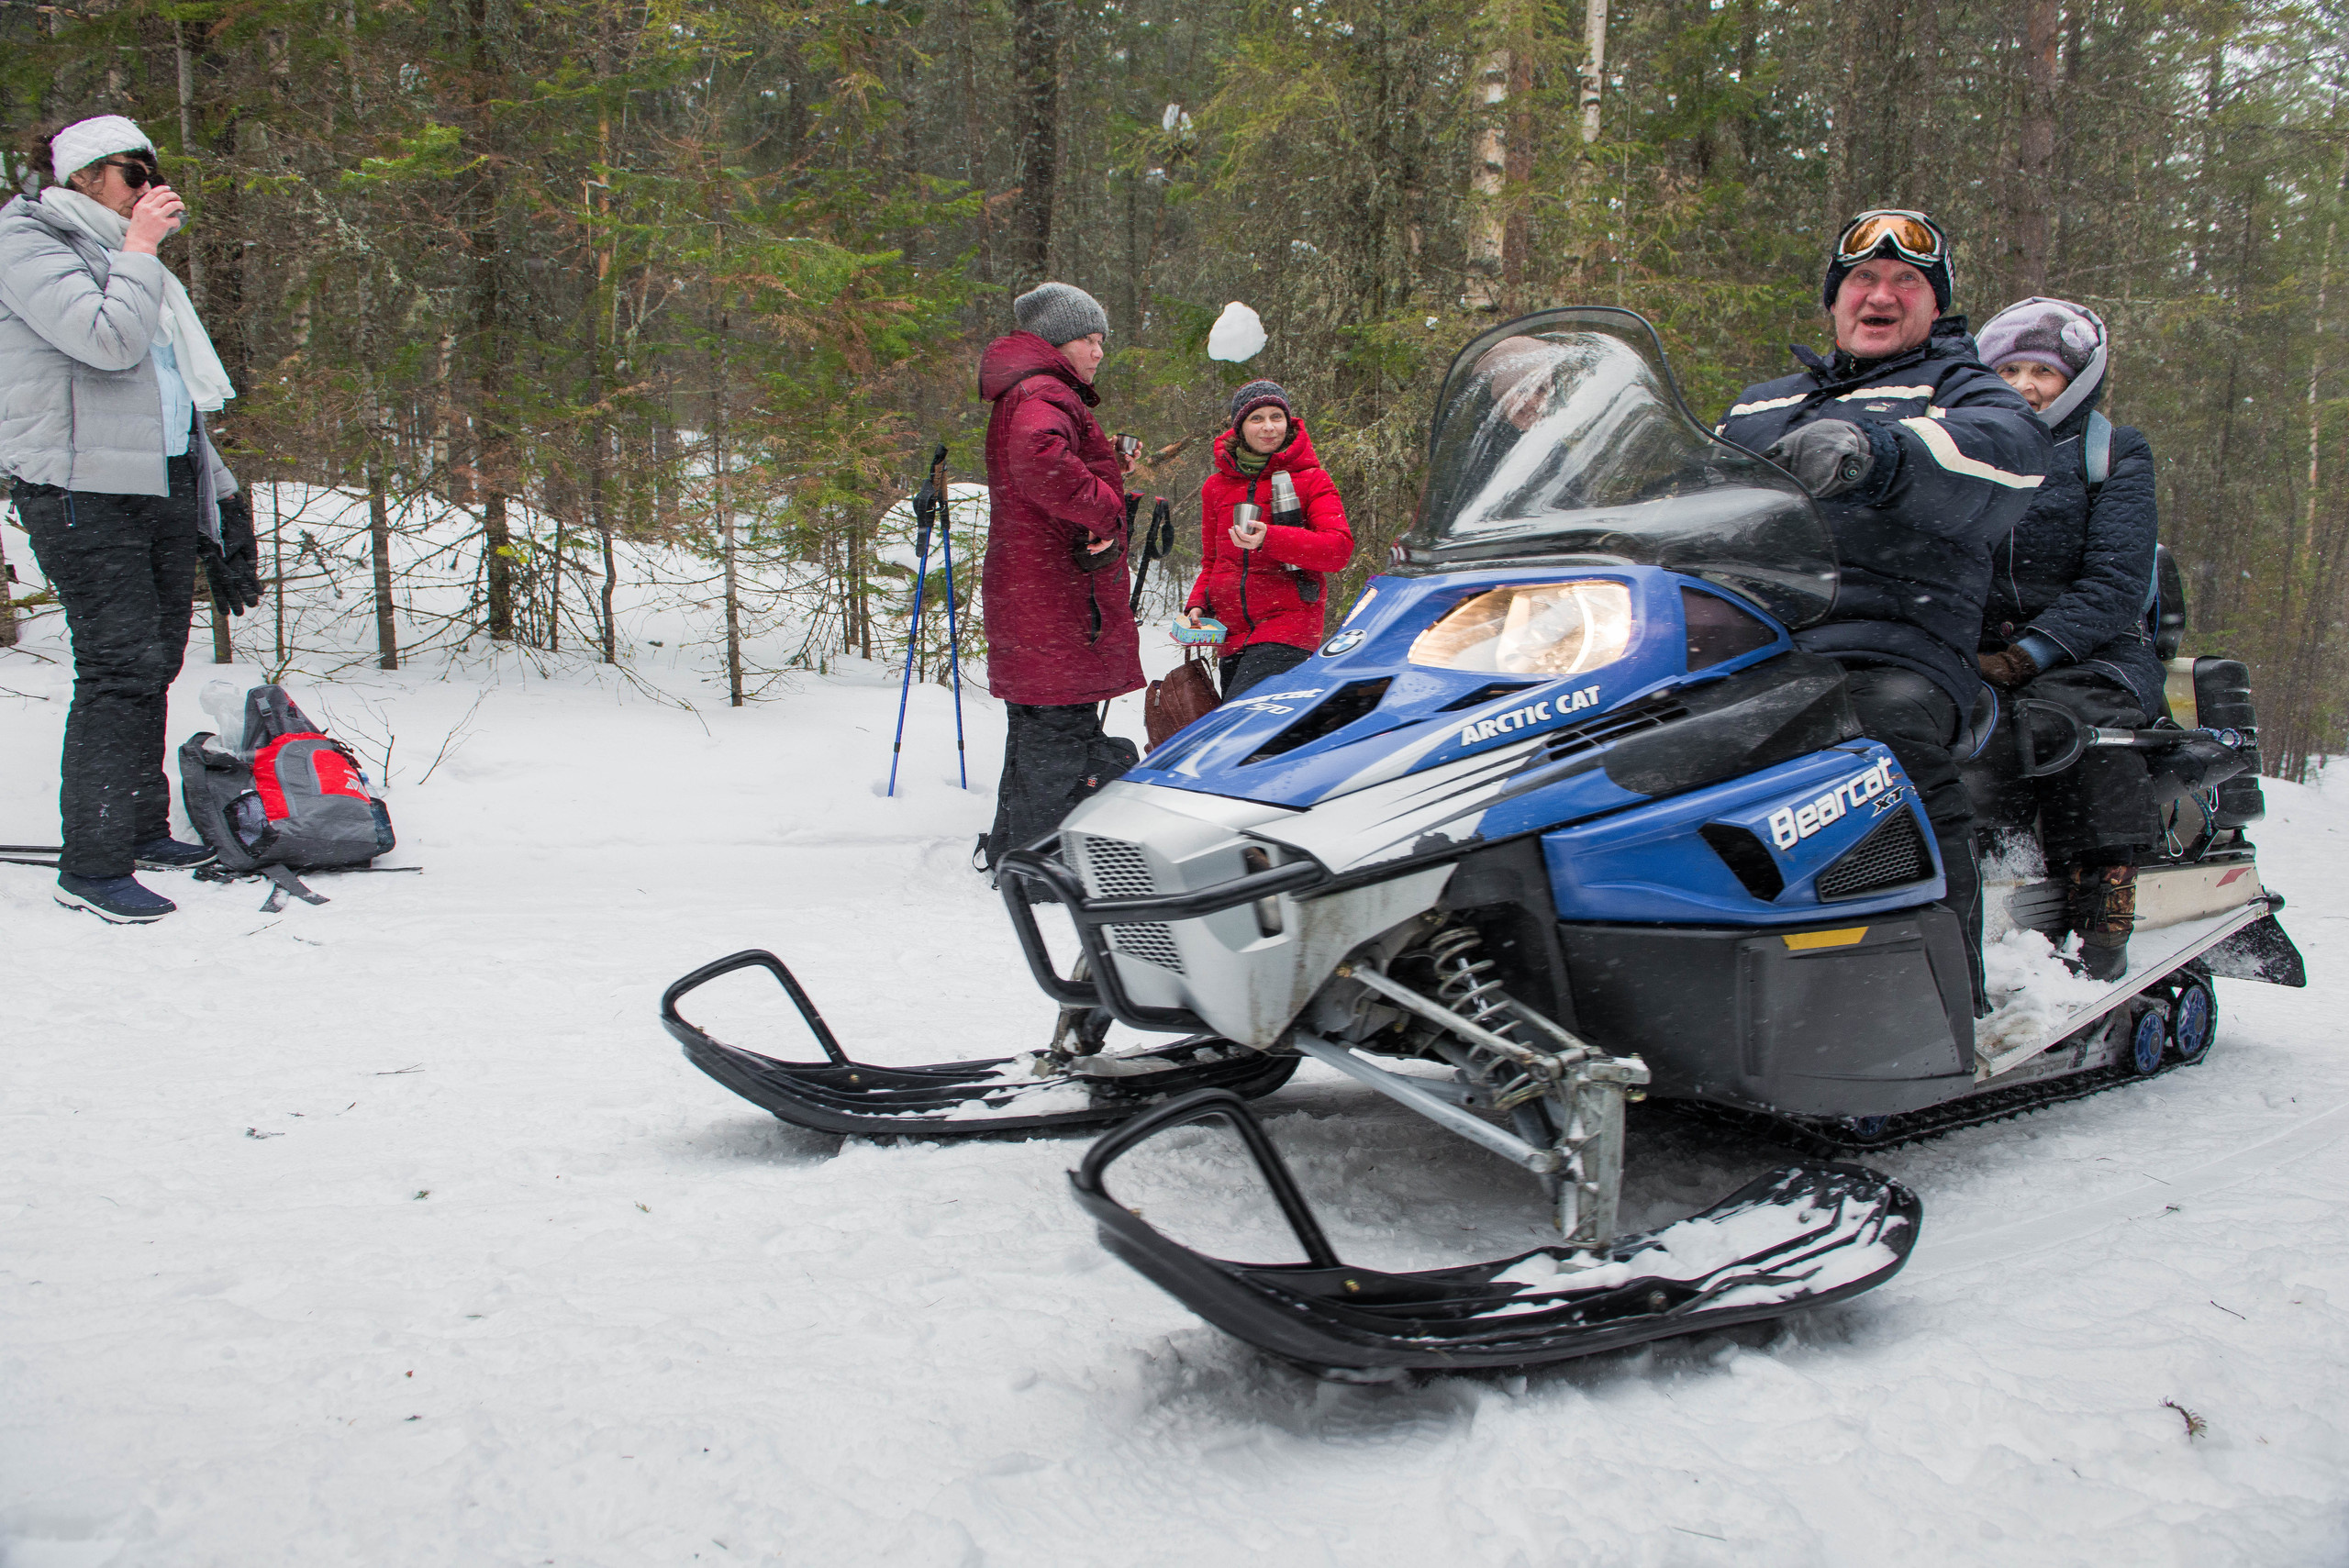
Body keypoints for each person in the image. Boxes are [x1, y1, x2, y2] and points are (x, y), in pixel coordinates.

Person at [1715, 209, 2054, 998]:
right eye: (1863, 279)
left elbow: (2007, 460)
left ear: (1936, 307)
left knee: (1882, 740)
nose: (1881, 295)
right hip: (1749, 642)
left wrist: (1878, 455)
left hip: (1891, 641)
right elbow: (1677, 495)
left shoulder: (1965, 392)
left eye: (1907, 282)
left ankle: (1942, 994)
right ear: (1834, 301)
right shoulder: (1761, 405)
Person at [1, 114, 261, 924]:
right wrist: (140, 249)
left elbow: (176, 393)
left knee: (154, 662)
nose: (151, 188)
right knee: (116, 667)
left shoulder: (135, 265)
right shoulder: (30, 244)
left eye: (154, 173)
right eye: (132, 173)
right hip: (81, 487)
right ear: (83, 177)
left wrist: (222, 499)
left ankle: (142, 828)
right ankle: (94, 864)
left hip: (160, 480)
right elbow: (107, 342)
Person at [1973, 297, 2162, 980]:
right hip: (1975, 642)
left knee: (2074, 723)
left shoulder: (2112, 451)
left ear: (2076, 379)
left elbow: (2116, 579)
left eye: (2043, 372)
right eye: (2012, 369)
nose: (2025, 385)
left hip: (2096, 647)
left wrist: (2032, 652)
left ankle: (2103, 902)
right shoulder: (1965, 447)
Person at [975, 282, 1142, 880]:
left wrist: (1107, 464)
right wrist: (1104, 506)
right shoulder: (1043, 389)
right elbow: (1040, 459)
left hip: (1033, 589)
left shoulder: (1032, 389)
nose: (1099, 352)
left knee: (1037, 724)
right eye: (1090, 340)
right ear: (1057, 342)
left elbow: (1052, 458)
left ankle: (1010, 851)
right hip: (1051, 597)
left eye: (1101, 341)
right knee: (1059, 728)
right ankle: (1041, 873)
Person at [1183, 380, 1354, 697]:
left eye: (1276, 416)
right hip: (1231, 637)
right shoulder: (1216, 487)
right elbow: (1212, 561)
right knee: (1249, 737)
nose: (1269, 427)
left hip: (1288, 628)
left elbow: (1337, 550)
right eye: (1256, 418)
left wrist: (1270, 538)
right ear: (1239, 427)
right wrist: (1198, 605)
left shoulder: (1312, 480)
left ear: (1288, 422)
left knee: (1242, 730)